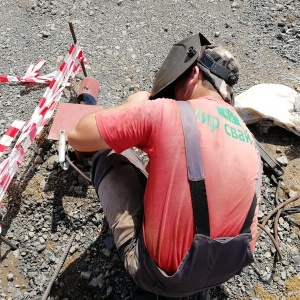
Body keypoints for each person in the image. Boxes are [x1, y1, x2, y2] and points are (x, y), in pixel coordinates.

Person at [68, 32, 262, 299]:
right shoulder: (249, 138)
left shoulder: (164, 112)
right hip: (226, 270)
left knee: (107, 152)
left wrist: (130, 106)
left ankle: (149, 272)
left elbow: (78, 134)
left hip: (163, 277)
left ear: (193, 75)